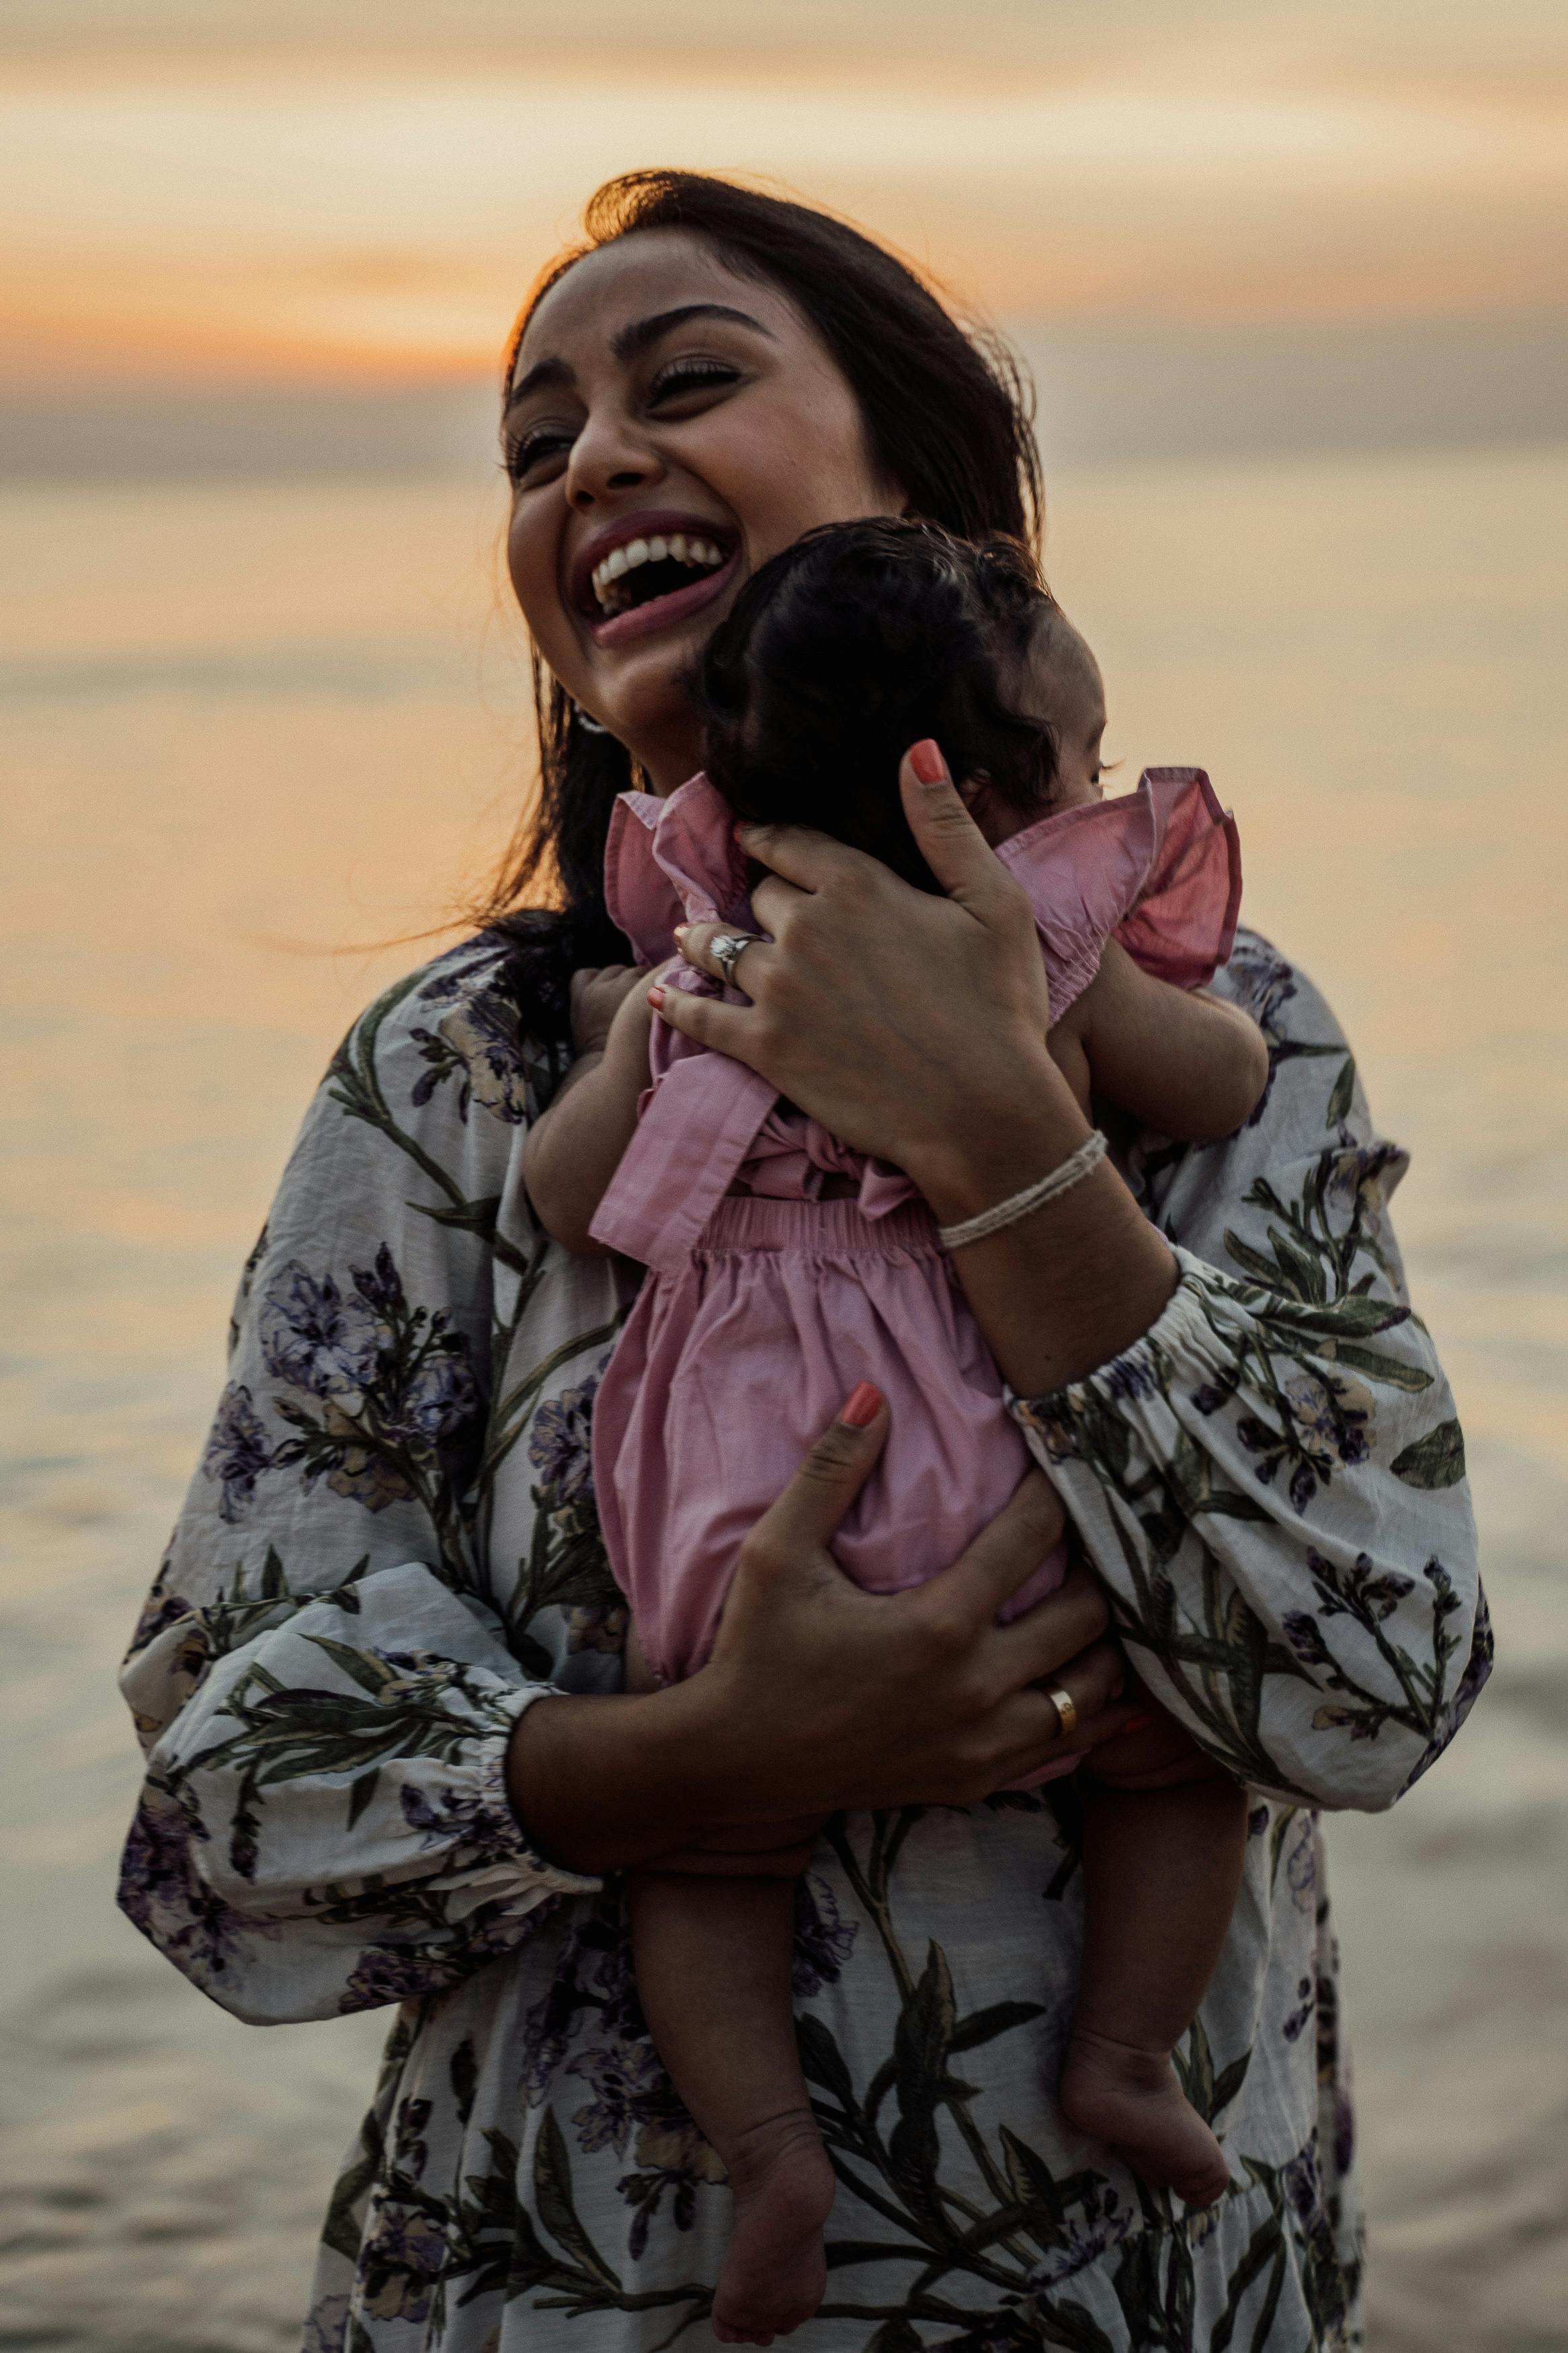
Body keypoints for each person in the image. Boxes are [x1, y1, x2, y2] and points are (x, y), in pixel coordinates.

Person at [116, 171, 1489, 2353]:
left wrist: (1003, 1136)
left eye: (687, 382)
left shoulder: (1227, 1032)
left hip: (1129, 2300)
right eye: (535, 437)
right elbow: (224, 1799)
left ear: (924, 506)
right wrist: (682, 1763)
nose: (592, 462)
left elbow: (1374, 1670)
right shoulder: (458, 1081)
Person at [521, 517, 1271, 2342]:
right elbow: (1229, 1078)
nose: (1099, 796)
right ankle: (1117, 2056)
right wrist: (1088, 1011)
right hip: (980, 1440)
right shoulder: (1039, 952)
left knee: (710, 1833)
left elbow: (565, 1196)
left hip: (744, 1469)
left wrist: (633, 1040)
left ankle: (770, 2153)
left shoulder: (707, 957)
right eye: (1082, 768)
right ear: (992, 791)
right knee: (1173, 1749)